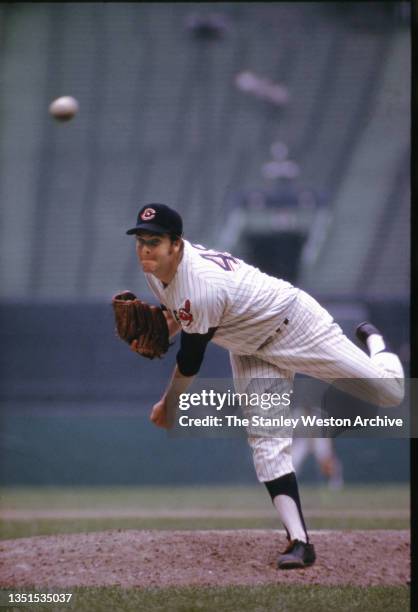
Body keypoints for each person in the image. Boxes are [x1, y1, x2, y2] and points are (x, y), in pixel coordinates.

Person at [125, 202, 404, 570]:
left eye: (155, 241)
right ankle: (300, 542)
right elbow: (182, 314)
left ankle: (377, 346)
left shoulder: (202, 284)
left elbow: (191, 359)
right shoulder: (155, 271)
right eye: (141, 239)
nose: (146, 248)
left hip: (293, 324)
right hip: (248, 346)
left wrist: (169, 405)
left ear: (176, 244)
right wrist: (165, 328)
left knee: (389, 394)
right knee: (266, 440)